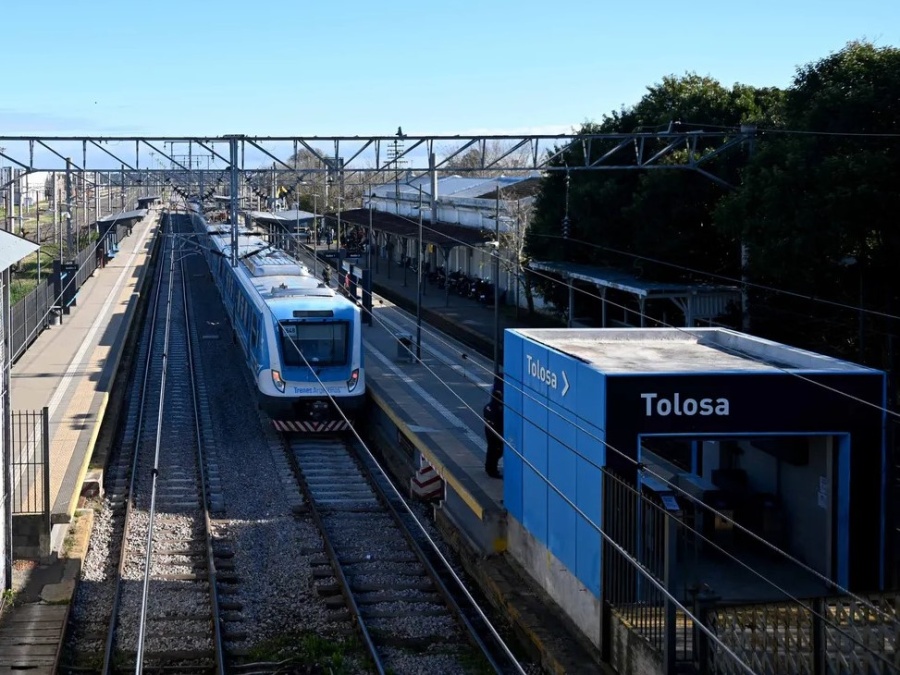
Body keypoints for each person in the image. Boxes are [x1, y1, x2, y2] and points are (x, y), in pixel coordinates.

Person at [483, 382, 504, 479]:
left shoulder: (487, 407)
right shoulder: (498, 410)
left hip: (488, 431)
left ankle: (489, 468)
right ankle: (492, 470)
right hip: (495, 433)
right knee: (496, 452)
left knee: (491, 450)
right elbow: (499, 422)